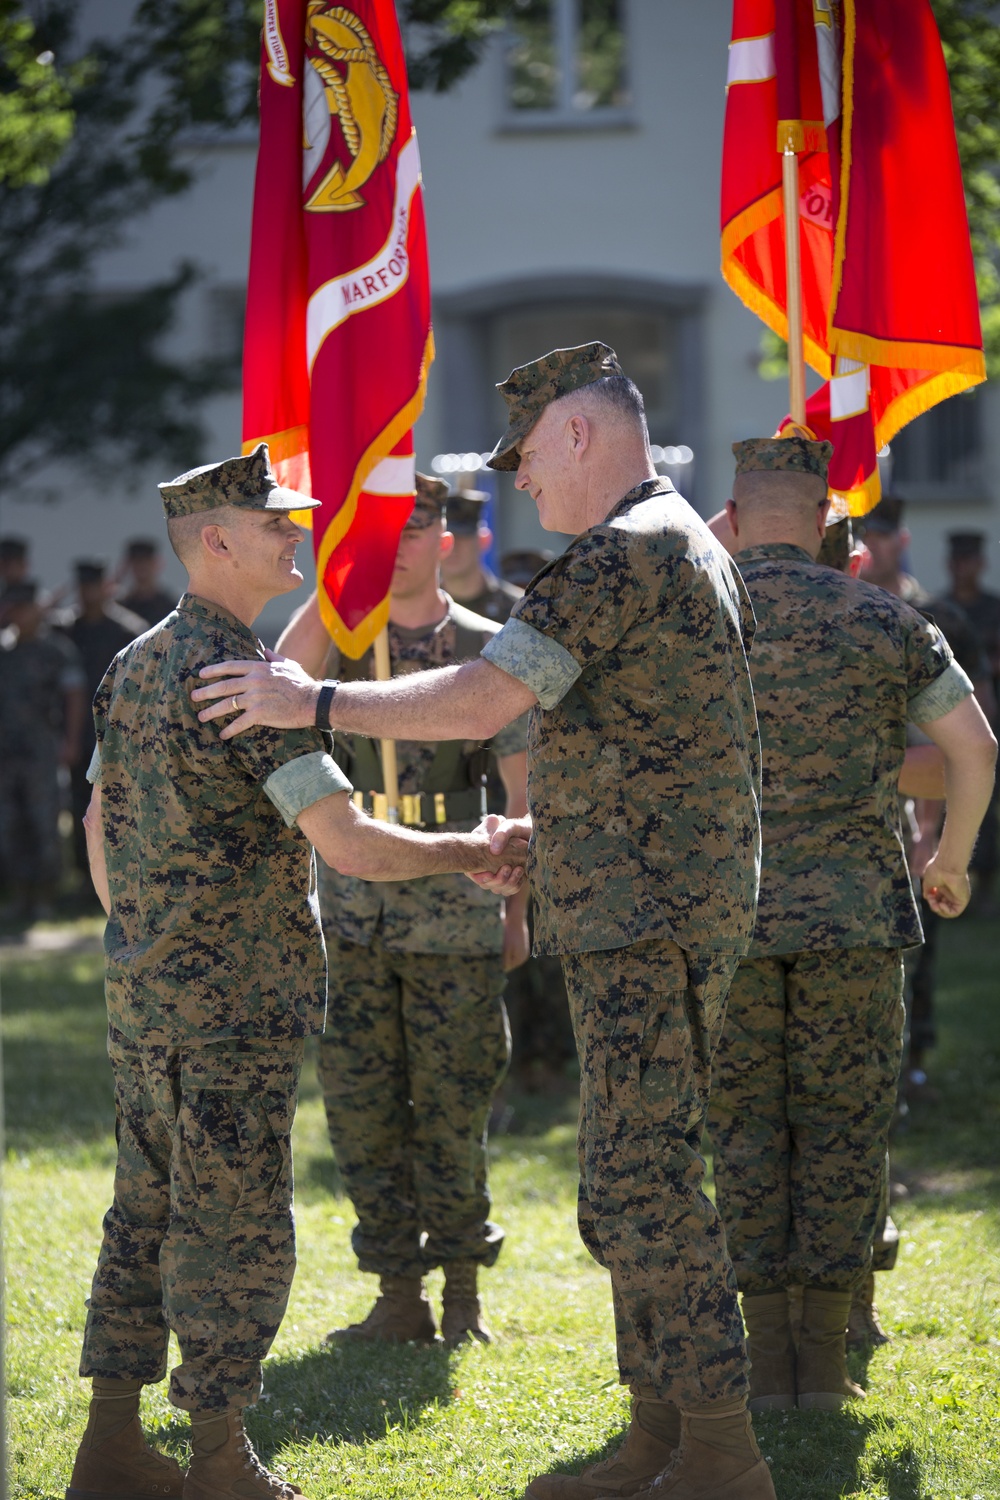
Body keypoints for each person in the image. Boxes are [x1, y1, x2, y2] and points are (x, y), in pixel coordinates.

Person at [192, 343, 775, 1500]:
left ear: (577, 432)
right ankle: (661, 1437)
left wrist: (310, 697)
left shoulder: (626, 549)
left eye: (526, 457)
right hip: (649, 901)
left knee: (648, 1185)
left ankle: (721, 1451)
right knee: (625, 1182)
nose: (521, 485)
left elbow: (486, 696)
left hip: (644, 911)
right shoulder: (673, 540)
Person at [67, 444, 525, 1500]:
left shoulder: (133, 664)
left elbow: (97, 820)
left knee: (145, 1209)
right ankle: (220, 1458)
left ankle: (113, 1444)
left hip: (150, 998)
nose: (297, 534)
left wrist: (145, 930)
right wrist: (473, 849)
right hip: (234, 1011)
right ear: (214, 541)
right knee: (232, 1224)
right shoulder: (246, 680)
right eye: (276, 524)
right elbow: (351, 845)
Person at [706, 437, 996, 1417]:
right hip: (857, 921)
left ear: (734, 519)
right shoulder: (885, 618)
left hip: (728, 923)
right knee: (841, 1135)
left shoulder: (694, 623)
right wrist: (948, 861)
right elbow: (975, 748)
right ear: (833, 521)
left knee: (744, 1133)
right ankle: (823, 1367)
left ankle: (762, 1354)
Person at [275, 472, 529, 1346]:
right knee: (362, 1105)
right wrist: (341, 584)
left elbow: (525, 795)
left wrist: (520, 912)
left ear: (446, 544)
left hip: (460, 898)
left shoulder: (493, 649)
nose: (403, 547)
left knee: (453, 1103)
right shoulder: (346, 648)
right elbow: (283, 675)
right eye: (384, 533)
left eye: (414, 532)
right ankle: (396, 1291)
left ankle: (462, 1290)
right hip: (351, 901)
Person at [56, 560, 147, 880]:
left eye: (92, 585)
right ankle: (84, 878)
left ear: (104, 587)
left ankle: (121, 875)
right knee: (82, 806)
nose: (87, 593)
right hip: (79, 733)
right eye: (82, 586)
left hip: (116, 731)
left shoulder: (127, 629)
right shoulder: (66, 627)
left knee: (121, 805)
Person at [0, 580, 86, 919]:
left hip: (41, 751)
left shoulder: (55, 650)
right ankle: (19, 895)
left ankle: (45, 897)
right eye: (15, 608)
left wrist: (71, 739)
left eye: (26, 607)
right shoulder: (4, 651)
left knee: (43, 822)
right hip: (6, 753)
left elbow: (74, 696)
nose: (21, 615)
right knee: (9, 824)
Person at [944, 530, 1000, 911]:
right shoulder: (942, 608)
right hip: (950, 715)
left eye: (970, 560)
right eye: (958, 560)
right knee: (949, 794)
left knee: (988, 799)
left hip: (992, 713)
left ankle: (985, 886)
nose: (964, 567)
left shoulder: (994, 608)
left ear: (981, 563)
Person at [440, 482, 523, 622]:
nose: (453, 546)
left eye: (462, 536)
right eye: (445, 539)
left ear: (484, 540)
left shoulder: (518, 610)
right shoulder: (418, 609)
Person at [116, 536, 180, 627]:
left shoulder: (173, 606)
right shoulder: (120, 605)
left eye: (146, 561)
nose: (142, 566)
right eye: (137, 561)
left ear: (157, 563)